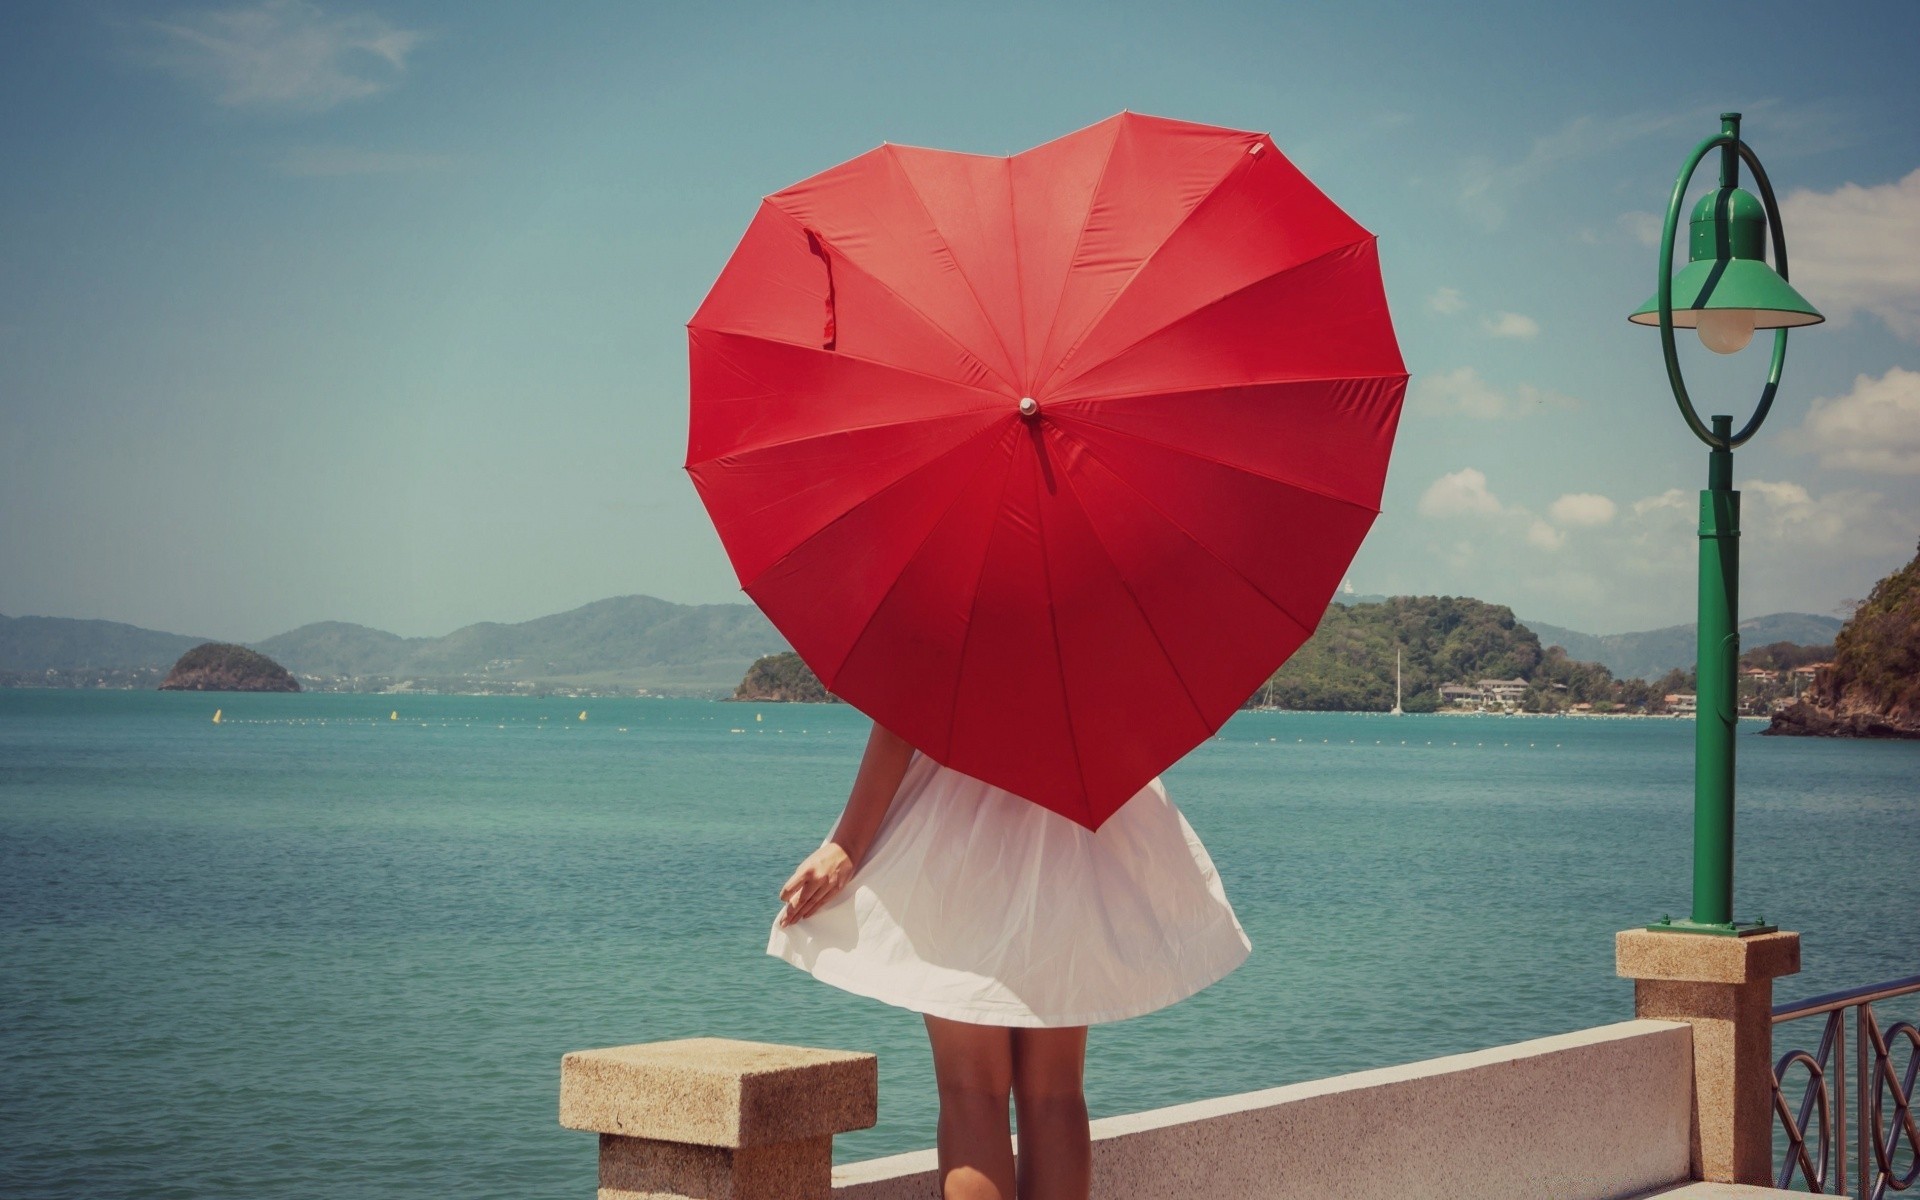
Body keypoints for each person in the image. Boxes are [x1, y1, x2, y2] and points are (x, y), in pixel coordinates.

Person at [769, 722, 1250, 1200]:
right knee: (1056, 1095)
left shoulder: (950, 639)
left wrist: (848, 844)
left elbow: (901, 717)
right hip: (1068, 823)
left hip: (960, 829)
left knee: (971, 1093)